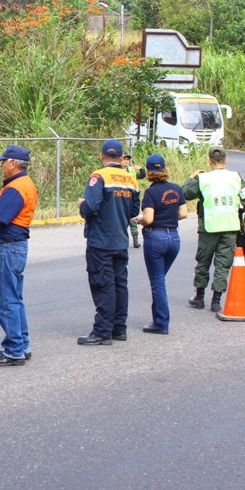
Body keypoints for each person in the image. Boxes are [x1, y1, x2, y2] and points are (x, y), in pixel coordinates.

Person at [77, 139, 140, 345]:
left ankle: (102, 330)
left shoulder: (99, 176)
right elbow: (133, 212)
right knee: (119, 284)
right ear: (122, 158)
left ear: (102, 155)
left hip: (101, 240)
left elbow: (91, 206)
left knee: (102, 283)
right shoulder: (131, 179)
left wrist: (82, 205)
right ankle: (119, 328)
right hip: (121, 240)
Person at [182, 145, 245, 312]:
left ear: (209, 161)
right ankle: (216, 301)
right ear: (226, 160)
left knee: (203, 262)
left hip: (209, 228)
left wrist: (191, 177)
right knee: (222, 265)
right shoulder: (236, 178)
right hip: (229, 228)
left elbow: (185, 194)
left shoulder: (203, 179)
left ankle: (199, 298)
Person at [0, 145, 38, 366]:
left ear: (13, 163)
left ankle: (15, 349)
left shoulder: (16, 187)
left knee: (4, 300)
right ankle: (21, 345)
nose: (1, 166)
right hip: (14, 247)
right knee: (14, 299)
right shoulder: (24, 184)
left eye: (4, 162)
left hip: (7, 247)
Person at [134, 154, 188, 334]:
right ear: (164, 169)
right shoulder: (176, 189)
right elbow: (183, 214)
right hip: (174, 237)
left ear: (149, 171)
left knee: (157, 283)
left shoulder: (151, 192)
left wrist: (138, 220)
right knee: (160, 280)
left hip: (156, 237)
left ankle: (161, 323)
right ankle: (158, 317)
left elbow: (148, 219)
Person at [122, 153, 146, 248]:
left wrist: (141, 169)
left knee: (133, 219)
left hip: (132, 196)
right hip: (121, 196)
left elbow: (142, 175)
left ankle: (135, 240)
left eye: (128, 159)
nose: (126, 161)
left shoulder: (131, 170)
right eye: (124, 159)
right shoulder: (116, 170)